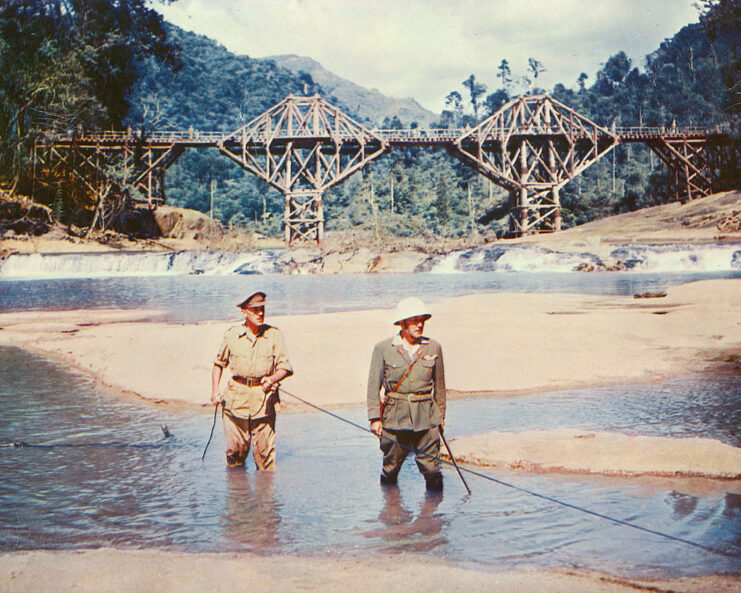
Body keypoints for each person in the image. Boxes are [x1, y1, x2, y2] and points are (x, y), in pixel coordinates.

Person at [366, 297, 446, 491]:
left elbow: (441, 388)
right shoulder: (383, 349)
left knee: (432, 468)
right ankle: (390, 511)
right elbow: (372, 387)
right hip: (394, 418)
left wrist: (440, 417)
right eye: (414, 320)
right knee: (391, 467)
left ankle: (434, 517)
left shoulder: (433, 347)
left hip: (426, 417)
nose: (420, 325)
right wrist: (375, 418)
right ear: (402, 323)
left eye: (422, 320)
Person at [211, 291, 293, 470]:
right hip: (235, 403)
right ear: (244, 312)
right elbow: (218, 364)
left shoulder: (274, 335)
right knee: (235, 453)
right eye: (255, 310)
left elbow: (285, 368)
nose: (260, 313)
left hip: (264, 402)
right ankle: (238, 495)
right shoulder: (232, 335)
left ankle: (266, 497)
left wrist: (272, 379)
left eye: (262, 309)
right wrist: (214, 391)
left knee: (266, 459)